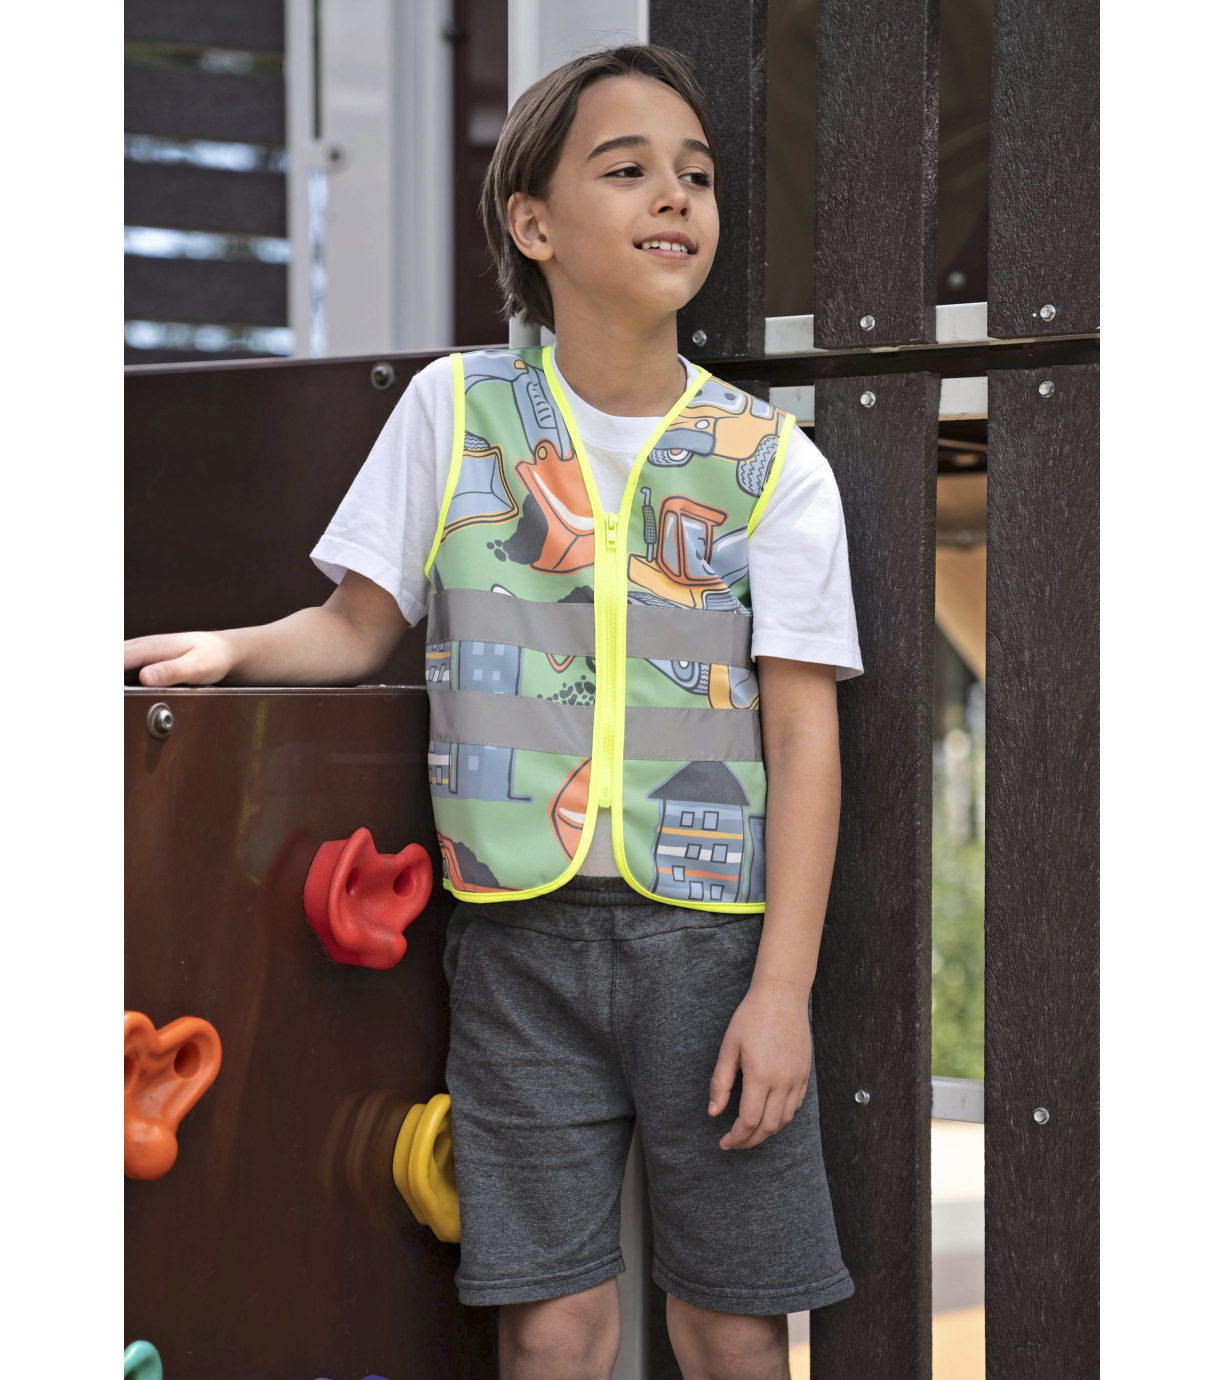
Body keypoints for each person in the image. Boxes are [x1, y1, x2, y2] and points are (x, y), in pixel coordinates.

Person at [125, 44, 862, 1380]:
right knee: (550, 1330)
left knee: (735, 1330)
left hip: (713, 948)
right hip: (516, 942)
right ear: (534, 224)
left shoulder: (772, 465)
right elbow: (356, 627)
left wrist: (782, 992)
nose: (675, 196)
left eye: (696, 175)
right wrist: (232, 648)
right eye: (626, 169)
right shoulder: (455, 413)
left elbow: (804, 733)